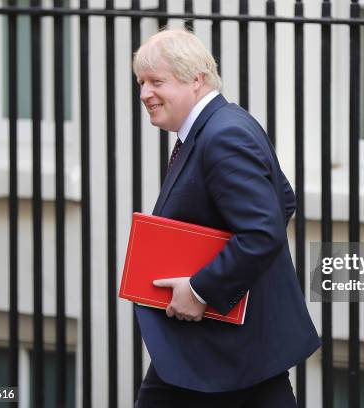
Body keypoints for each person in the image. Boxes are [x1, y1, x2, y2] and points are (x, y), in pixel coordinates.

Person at [132, 28, 320, 407]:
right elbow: (282, 201)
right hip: (214, 348)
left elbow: (262, 231)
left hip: (225, 348)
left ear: (196, 79)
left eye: (156, 82)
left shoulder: (222, 135)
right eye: (141, 82)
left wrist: (202, 289)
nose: (144, 94)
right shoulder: (223, 123)